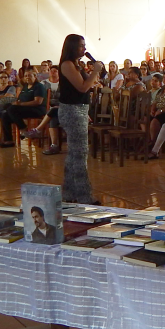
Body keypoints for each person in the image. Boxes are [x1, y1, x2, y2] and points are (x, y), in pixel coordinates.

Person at [58, 34, 102, 204]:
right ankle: (85, 197)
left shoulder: (75, 64)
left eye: (84, 46)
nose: (84, 49)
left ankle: (68, 194)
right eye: (81, 46)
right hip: (72, 111)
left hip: (79, 110)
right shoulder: (67, 65)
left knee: (73, 155)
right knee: (80, 154)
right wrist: (95, 71)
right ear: (71, 47)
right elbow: (83, 88)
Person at [0, 68, 47, 147]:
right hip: (24, 109)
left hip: (37, 109)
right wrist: (16, 103)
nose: (27, 77)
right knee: (5, 115)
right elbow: (20, 99)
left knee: (12, 109)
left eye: (29, 76)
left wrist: (21, 104)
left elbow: (37, 102)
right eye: (25, 76)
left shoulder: (39, 86)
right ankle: (8, 140)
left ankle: (23, 129)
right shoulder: (25, 87)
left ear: (35, 77)